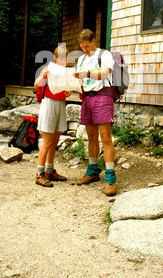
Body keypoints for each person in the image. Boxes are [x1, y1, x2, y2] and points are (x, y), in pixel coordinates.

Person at [74, 29, 116, 196]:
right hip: (87, 98)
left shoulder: (104, 55)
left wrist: (86, 73)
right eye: (82, 47)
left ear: (94, 41)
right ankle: (92, 171)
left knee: (105, 137)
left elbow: (105, 72)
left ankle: (110, 177)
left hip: (102, 96)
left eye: (87, 46)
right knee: (91, 136)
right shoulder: (82, 59)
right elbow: (79, 79)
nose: (85, 49)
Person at [34, 46, 71, 187]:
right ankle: (39, 173)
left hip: (60, 104)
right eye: (60, 58)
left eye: (65, 58)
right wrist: (43, 77)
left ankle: (50, 170)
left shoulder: (65, 72)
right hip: (49, 104)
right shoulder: (48, 69)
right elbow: (36, 84)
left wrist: (68, 92)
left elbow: (66, 91)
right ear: (55, 58)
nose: (63, 60)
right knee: (47, 142)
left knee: (54, 141)